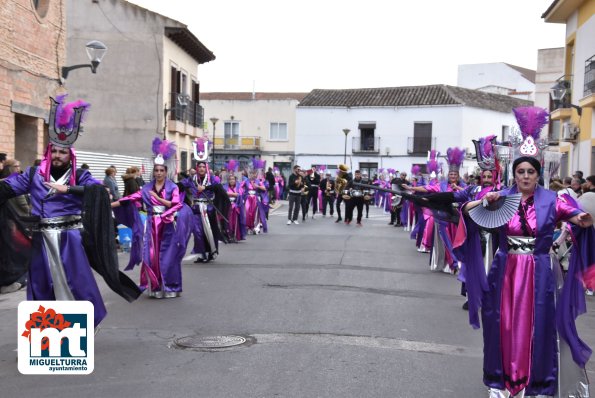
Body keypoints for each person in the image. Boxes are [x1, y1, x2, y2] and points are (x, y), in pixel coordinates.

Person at [462, 107, 595, 397]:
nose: (525, 176)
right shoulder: (500, 197)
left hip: (540, 271)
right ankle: (502, 381)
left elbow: (574, 215)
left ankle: (537, 382)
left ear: (538, 174)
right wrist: (486, 201)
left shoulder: (552, 199)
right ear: (515, 173)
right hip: (505, 268)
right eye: (520, 171)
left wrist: (583, 220)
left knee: (539, 326)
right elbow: (466, 211)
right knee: (503, 324)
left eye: (530, 172)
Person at [0, 94, 140, 325]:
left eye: (62, 152)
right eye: (54, 151)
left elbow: (100, 193)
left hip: (70, 239)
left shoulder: (80, 175)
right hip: (42, 238)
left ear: (70, 155)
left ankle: (84, 324)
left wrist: (68, 190)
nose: (57, 156)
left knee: (77, 282)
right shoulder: (34, 174)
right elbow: (8, 188)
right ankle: (44, 330)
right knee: (41, 284)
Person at [113, 138, 192, 298]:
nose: (158, 173)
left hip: (168, 225)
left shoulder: (172, 187)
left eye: (161, 170)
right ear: (153, 171)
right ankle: (155, 287)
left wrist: (160, 200)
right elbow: (128, 198)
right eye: (156, 170)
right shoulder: (146, 188)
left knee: (168, 257)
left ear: (166, 171)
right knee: (150, 256)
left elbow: (177, 204)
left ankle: (170, 287)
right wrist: (108, 204)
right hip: (151, 226)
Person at [180, 138, 230, 262]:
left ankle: (211, 252)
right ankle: (202, 254)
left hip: (209, 209)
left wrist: (205, 187)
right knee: (197, 232)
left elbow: (218, 187)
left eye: (203, 166)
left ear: (206, 167)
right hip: (196, 209)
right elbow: (180, 185)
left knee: (210, 232)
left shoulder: (212, 178)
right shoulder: (192, 179)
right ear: (197, 168)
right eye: (199, 166)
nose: (201, 168)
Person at [223, 161, 246, 242]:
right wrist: (233, 194)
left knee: (235, 222)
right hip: (227, 207)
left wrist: (230, 194)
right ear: (228, 180)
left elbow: (239, 195)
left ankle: (235, 236)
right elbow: (224, 195)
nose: (232, 181)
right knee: (228, 222)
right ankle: (229, 236)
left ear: (235, 180)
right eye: (230, 179)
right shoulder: (224, 187)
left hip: (235, 208)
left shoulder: (238, 187)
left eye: (233, 179)